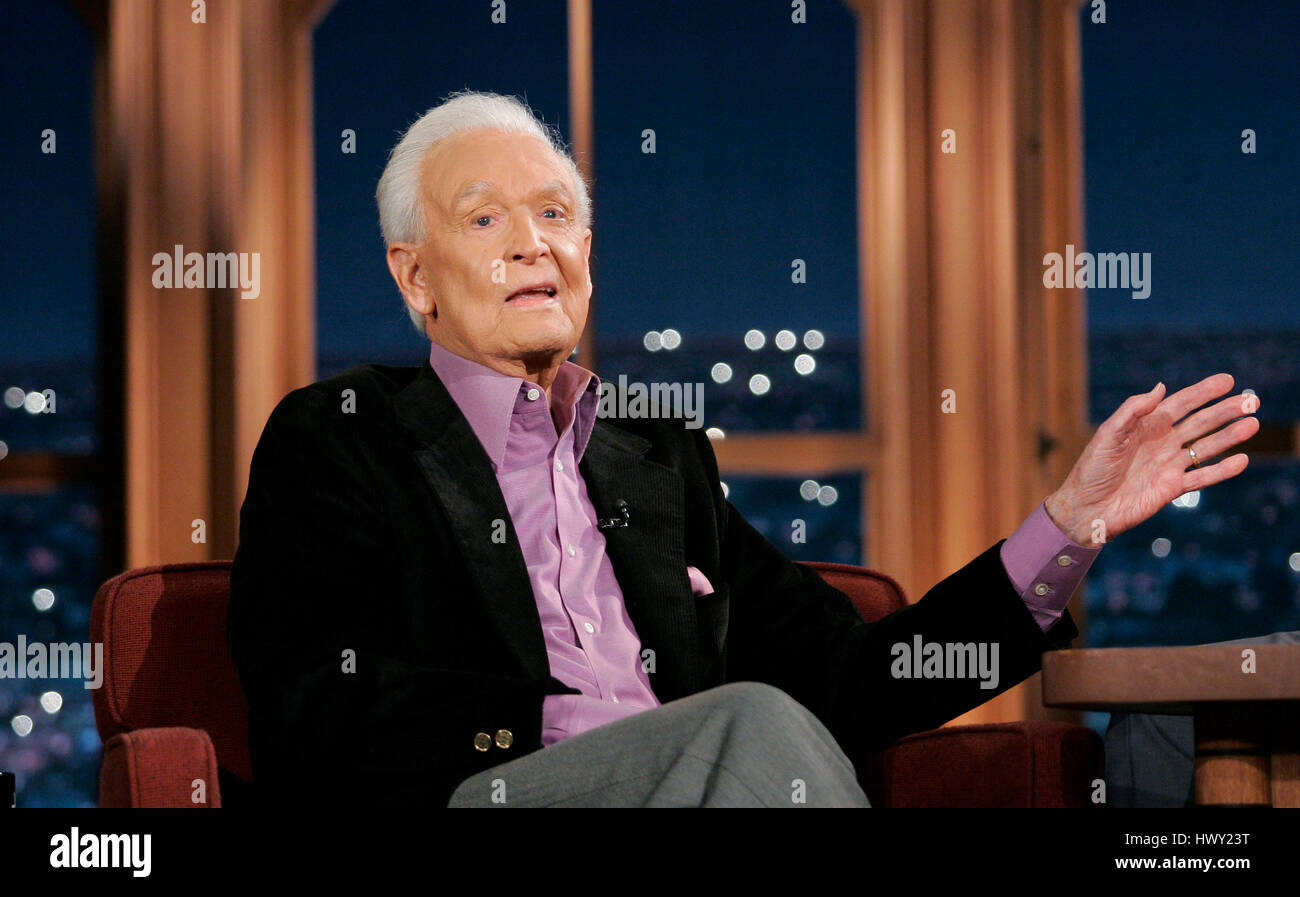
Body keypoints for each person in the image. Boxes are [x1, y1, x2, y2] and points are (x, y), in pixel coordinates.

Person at [226, 90, 1260, 807]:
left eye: (556, 214)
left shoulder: (656, 458)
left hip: (722, 783)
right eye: (484, 216)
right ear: (415, 278)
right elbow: (315, 705)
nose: (530, 242)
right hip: (492, 792)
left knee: (1138, 759)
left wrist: (1066, 529)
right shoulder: (344, 437)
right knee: (750, 727)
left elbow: (855, 680)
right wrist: (586, 728)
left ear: (586, 254)